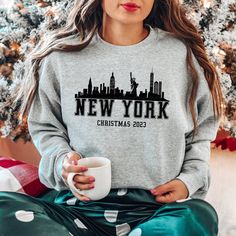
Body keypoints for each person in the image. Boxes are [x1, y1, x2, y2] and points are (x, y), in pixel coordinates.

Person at [0, 0, 224, 235]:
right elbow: (47, 128)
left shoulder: (179, 55)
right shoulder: (61, 57)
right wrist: (63, 163)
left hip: (155, 210)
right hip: (78, 209)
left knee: (199, 214)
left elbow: (201, 131)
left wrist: (189, 179)